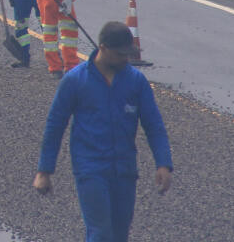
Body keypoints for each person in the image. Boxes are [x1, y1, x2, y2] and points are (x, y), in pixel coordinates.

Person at [34, 21, 173, 242]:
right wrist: (44, 172)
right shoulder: (75, 81)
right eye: (120, 54)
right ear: (103, 48)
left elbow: (154, 125)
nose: (125, 59)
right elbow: (55, 125)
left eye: (128, 54)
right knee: (101, 233)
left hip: (125, 171)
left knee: (119, 235)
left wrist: (163, 164)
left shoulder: (136, 81)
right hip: (90, 168)